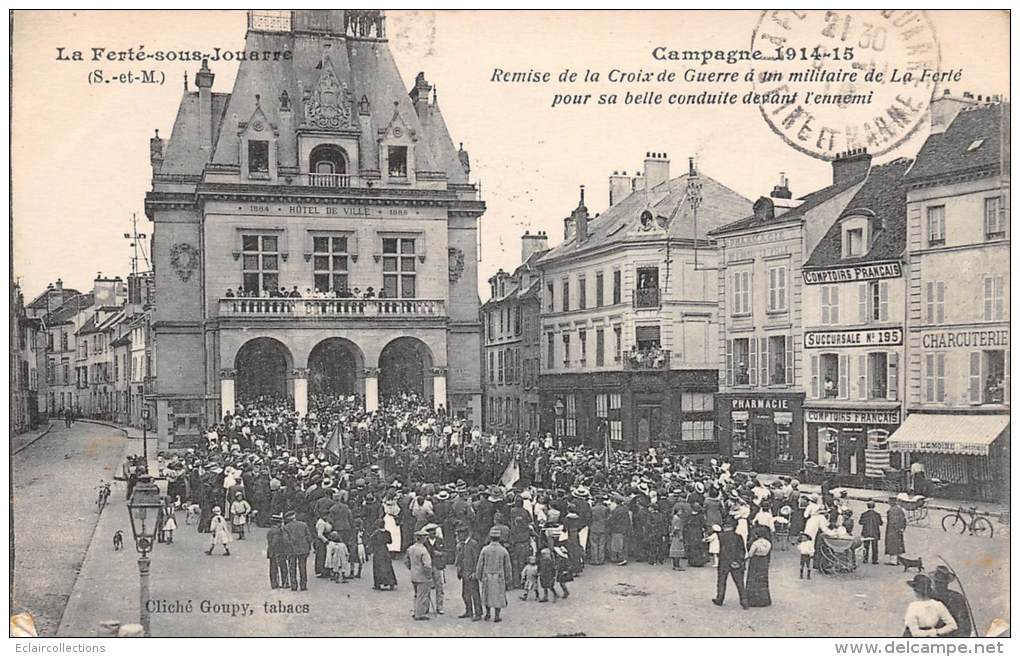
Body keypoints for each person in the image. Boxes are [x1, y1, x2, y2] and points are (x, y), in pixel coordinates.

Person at [475, 526, 513, 622]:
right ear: (499, 538)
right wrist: (508, 578)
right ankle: (497, 615)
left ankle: (488, 613)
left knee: (487, 594)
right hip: (499, 576)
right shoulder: (503, 551)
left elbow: (480, 564)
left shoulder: (485, 549)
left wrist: (478, 575)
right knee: (498, 595)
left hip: (487, 575)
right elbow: (507, 566)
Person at [712, 520, 748, 609]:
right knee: (739, 582)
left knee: (721, 581)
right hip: (736, 561)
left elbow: (718, 550)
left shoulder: (721, 536)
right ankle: (744, 601)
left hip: (724, 562)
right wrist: (739, 561)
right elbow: (742, 550)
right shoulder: (738, 537)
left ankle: (720, 598)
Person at [931, 566, 974, 637]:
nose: (938, 585)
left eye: (941, 583)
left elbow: (965, 626)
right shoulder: (927, 597)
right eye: (936, 581)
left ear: (947, 583)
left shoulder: (957, 598)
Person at [455, 523, 483, 620]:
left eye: (460, 534)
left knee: (474, 594)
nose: (458, 536)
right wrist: (458, 569)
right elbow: (459, 559)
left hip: (471, 573)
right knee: (465, 594)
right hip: (464, 573)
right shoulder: (461, 545)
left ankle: (478, 613)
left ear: (465, 534)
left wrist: (475, 572)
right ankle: (469, 611)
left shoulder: (473, 544)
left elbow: (477, 559)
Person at [406, 529, 433, 621]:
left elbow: (406, 561)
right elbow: (427, 565)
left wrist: (412, 568)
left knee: (416, 594)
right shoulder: (423, 550)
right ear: (423, 539)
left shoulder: (410, 548)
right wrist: (429, 575)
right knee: (422, 595)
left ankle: (415, 611)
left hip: (414, 575)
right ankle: (420, 614)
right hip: (422, 576)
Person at [282, 510, 313, 591]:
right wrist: (309, 547)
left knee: (292, 568)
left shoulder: (286, 527)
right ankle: (303, 585)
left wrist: (290, 546)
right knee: (303, 567)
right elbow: (309, 537)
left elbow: (286, 541)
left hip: (292, 550)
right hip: (304, 549)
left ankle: (294, 586)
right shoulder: (304, 525)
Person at [745, 526, 772, 607]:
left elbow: (750, 554)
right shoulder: (768, 543)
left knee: (754, 579)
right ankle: (764, 599)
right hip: (764, 561)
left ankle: (753, 600)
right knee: (762, 580)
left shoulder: (755, 543)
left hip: (755, 561)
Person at [424, 523, 447, 615]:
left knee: (439, 587)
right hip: (428, 567)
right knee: (426, 587)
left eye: (433, 531)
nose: (432, 533)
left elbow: (446, 552)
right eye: (430, 532)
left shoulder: (440, 541)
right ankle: (426, 607)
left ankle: (440, 607)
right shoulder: (425, 542)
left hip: (438, 566)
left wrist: (440, 554)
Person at [368, 518, 398, 591]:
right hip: (385, 550)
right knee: (388, 566)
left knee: (378, 567)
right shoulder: (387, 532)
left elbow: (371, 540)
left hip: (378, 551)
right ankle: (391, 582)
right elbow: (390, 541)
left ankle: (378, 584)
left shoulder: (376, 533)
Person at [266, 513, 289, 589]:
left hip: (272, 552)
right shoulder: (278, 531)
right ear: (278, 523)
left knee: (273, 569)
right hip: (279, 551)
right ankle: (285, 583)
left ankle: (274, 584)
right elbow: (275, 542)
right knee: (283, 568)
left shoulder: (270, 530)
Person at [860, 501, 883, 565]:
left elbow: (860, 522)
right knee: (875, 547)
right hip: (875, 532)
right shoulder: (877, 514)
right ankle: (874, 560)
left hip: (866, 532)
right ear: (874, 506)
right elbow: (881, 523)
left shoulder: (864, 514)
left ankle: (865, 559)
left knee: (865, 546)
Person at [885, 499, 907, 565]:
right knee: (899, 543)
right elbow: (904, 519)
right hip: (899, 529)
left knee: (892, 543)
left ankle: (893, 560)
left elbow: (892, 521)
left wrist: (896, 528)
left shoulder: (891, 510)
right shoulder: (900, 510)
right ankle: (899, 559)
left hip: (892, 529)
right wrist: (902, 528)